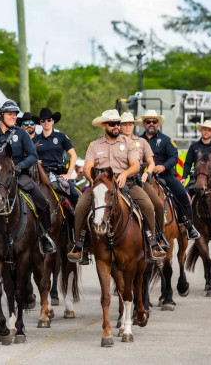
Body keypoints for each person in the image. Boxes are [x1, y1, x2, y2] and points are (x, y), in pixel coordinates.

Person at [67, 109, 167, 262]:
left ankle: (152, 242)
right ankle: (80, 245)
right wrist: (92, 180)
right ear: (104, 126)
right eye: (112, 124)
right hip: (100, 186)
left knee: (148, 205)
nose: (116, 127)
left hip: (125, 183)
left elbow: (135, 165)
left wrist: (124, 174)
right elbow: (88, 167)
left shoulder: (128, 142)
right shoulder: (94, 145)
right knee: (80, 206)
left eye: (118, 124)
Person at [0, 99, 57, 260]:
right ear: (0, 116)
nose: (14, 116)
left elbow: (33, 155)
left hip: (19, 175)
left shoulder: (21, 134)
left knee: (43, 202)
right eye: (10, 114)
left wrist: (20, 166)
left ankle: (45, 238)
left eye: (15, 114)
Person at [139, 110, 200, 240]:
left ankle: (189, 226)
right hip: (143, 176)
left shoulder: (166, 140)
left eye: (154, 122)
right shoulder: (138, 140)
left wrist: (163, 166)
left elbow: (174, 157)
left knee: (182, 194)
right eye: (148, 121)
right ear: (144, 124)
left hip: (164, 175)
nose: (151, 124)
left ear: (158, 124)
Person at [119, 112, 168, 249]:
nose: (127, 127)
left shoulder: (141, 142)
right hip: (118, 179)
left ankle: (159, 236)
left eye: (130, 124)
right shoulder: (115, 142)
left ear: (134, 125)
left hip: (138, 179)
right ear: (120, 126)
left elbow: (151, 162)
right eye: (124, 124)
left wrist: (146, 173)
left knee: (157, 205)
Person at [33, 107, 80, 208]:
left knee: (75, 195)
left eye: (49, 120)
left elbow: (73, 155)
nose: (46, 122)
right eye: (43, 120)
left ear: (53, 121)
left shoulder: (61, 137)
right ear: (40, 123)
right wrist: (35, 160)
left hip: (59, 176)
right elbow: (28, 156)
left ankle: (76, 222)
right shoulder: (35, 139)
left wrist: (68, 174)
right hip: (41, 176)